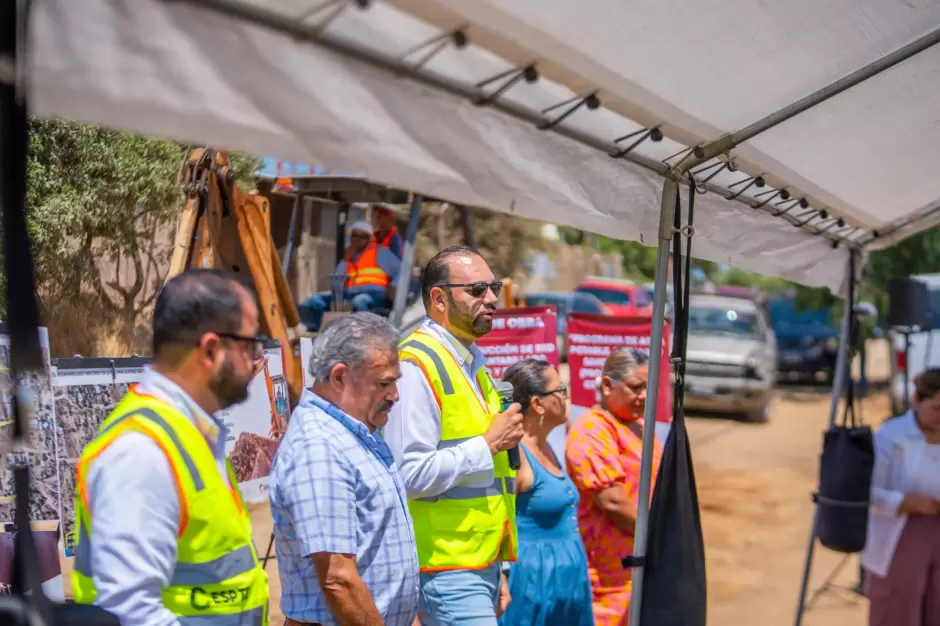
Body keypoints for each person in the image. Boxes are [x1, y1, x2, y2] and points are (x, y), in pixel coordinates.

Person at [71, 269, 270, 625]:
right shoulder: (142, 452)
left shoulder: (190, 435)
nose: (256, 359)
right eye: (250, 345)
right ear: (211, 350)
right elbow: (128, 611)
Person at [385, 244, 524, 626]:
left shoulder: (472, 363)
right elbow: (407, 475)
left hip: (481, 560)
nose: (492, 298)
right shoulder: (417, 365)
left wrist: (499, 569)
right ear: (438, 298)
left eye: (493, 287)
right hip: (444, 566)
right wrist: (488, 444)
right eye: (477, 290)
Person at [270, 312, 419, 626]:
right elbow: (338, 579)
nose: (394, 395)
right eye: (384, 383)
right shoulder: (320, 447)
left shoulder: (356, 433)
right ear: (339, 377)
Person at [565, 347, 664, 626]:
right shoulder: (592, 430)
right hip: (609, 576)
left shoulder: (638, 426)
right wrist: (659, 537)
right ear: (607, 385)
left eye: (648, 387)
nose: (644, 396)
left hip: (640, 565)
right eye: (635, 387)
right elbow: (613, 502)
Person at [497, 359, 593, 626]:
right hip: (532, 583)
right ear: (538, 404)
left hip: (567, 582)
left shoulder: (548, 448)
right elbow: (496, 520)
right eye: (560, 390)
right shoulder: (516, 456)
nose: (566, 397)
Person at [862, 368, 940, 626]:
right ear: (916, 400)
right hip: (899, 538)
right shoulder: (890, 436)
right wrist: (909, 503)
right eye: (938, 408)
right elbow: (867, 493)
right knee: (897, 612)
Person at [297, 220, 401, 331]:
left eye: (362, 236)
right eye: (354, 235)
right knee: (311, 302)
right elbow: (336, 285)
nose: (357, 239)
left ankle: (363, 334)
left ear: (369, 238)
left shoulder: (380, 252)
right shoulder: (348, 256)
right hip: (348, 295)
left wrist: (393, 286)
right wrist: (345, 260)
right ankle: (319, 331)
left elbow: (401, 271)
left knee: (359, 301)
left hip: (374, 295)